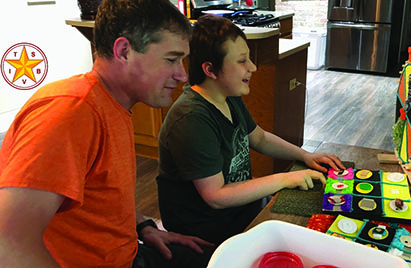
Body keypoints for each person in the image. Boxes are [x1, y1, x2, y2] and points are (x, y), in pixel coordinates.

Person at [0, 0, 215, 267]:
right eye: (172, 59)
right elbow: (8, 242)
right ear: (124, 51)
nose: (182, 74)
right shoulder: (71, 111)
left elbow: (99, 201)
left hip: (130, 253)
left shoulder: (111, 105)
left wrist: (145, 227)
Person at [156, 15, 346, 246]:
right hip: (208, 231)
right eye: (242, 61)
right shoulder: (192, 118)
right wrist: (285, 178)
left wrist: (305, 155)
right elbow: (216, 196)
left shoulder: (227, 96)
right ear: (210, 70)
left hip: (239, 212)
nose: (253, 68)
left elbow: (260, 138)